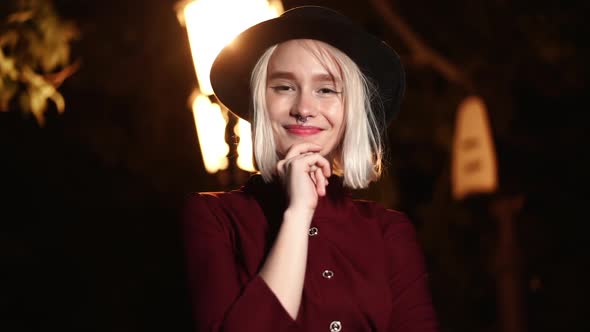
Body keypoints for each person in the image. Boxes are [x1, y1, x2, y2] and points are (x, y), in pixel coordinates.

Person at [182, 6, 439, 332]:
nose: (303, 108)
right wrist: (297, 214)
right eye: (284, 87)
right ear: (260, 101)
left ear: (352, 111)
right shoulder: (213, 216)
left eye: (326, 89)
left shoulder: (389, 231)